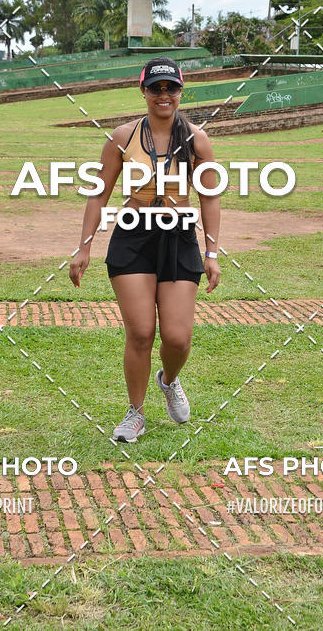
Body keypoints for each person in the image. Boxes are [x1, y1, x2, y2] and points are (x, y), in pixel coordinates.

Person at [69, 56, 221, 442]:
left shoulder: (197, 140)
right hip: (133, 235)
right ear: (144, 91)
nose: (163, 95)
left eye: (171, 87)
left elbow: (210, 198)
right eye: (156, 88)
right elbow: (99, 191)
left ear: (181, 91)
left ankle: (169, 381)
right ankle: (135, 414)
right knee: (140, 332)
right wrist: (84, 247)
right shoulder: (122, 137)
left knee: (176, 337)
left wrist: (212, 252)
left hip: (178, 236)